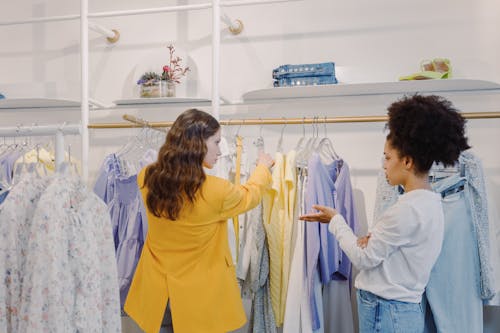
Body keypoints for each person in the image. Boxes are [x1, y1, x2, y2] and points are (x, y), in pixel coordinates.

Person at [299, 95, 470, 333]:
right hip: (401, 311)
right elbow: (395, 251)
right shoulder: (430, 203)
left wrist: (336, 220)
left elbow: (362, 258)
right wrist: (374, 240)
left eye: (388, 157)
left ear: (407, 161)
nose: (384, 165)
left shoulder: (407, 209)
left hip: (385, 312)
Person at [124, 109, 274, 333]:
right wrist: (262, 168)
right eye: (216, 142)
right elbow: (249, 196)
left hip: (158, 295)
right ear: (197, 145)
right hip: (198, 301)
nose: (220, 151)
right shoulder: (217, 191)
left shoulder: (146, 177)